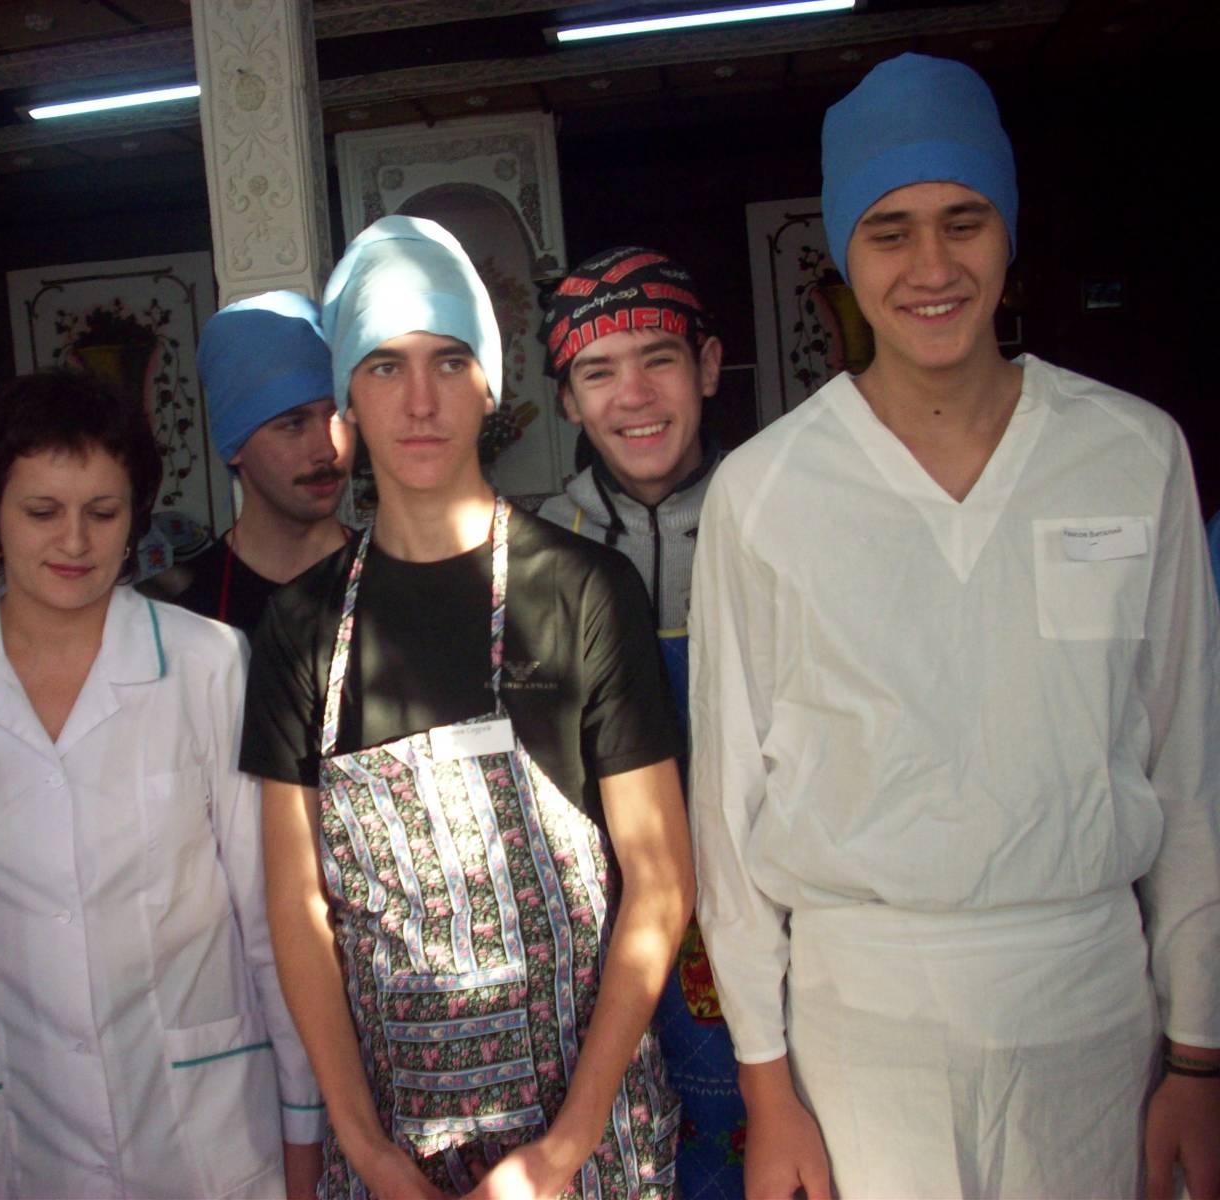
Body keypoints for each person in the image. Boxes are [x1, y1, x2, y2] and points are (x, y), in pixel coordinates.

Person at [689, 52, 1220, 1200]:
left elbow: (1190, 773)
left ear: (1007, 234)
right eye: (890, 232)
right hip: (860, 1026)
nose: (931, 267)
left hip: (1089, 1008)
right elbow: (727, 815)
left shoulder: (1129, 455)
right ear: (843, 254)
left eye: (963, 222)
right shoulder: (768, 491)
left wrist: (1197, 1054)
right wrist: (766, 1088)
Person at [243, 215, 693, 1199]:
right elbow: (296, 906)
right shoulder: (302, 627)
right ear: (345, 401)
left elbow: (661, 883)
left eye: (449, 362)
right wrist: (366, 1148)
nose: (419, 401)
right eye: (384, 367)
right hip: (393, 1154)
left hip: (586, 1153)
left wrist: (561, 1152)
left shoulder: (584, 592)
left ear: (490, 383)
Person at [0, 370, 323, 1199]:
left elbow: (268, 917)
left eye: (103, 513)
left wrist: (303, 1130)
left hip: (211, 1128)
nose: (74, 542)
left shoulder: (208, 662)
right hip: (15, 1137)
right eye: (42, 512)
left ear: (135, 518)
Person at [537, 247, 744, 1196]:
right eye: (597, 372)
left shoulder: (779, 511)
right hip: (607, 950)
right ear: (567, 401)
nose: (634, 395)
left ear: (709, 365)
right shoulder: (534, 551)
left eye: (659, 357)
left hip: (772, 924)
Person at [146, 290, 354, 636]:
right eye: (294, 424)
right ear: (235, 444)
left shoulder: (398, 580)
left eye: (335, 416)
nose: (327, 450)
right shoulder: (180, 610)